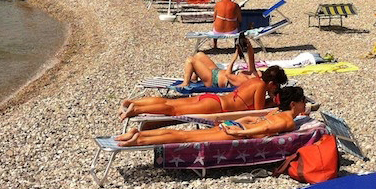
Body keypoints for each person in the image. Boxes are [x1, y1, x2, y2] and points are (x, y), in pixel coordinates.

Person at [115, 85, 305, 147]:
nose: (305, 105)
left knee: (173, 112)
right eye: (303, 102)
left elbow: (255, 121)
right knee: (184, 137)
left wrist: (235, 123)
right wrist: (239, 133)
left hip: (233, 125)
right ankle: (138, 139)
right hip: (236, 132)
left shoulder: (274, 111)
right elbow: (264, 128)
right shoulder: (287, 120)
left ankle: (138, 133)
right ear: (293, 104)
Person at [119, 66, 288, 120]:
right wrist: (273, 104)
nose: (275, 89)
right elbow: (257, 113)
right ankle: (137, 110)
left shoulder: (253, 80)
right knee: (173, 111)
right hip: (216, 107)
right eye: (276, 86)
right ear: (272, 83)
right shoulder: (260, 87)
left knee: (171, 103)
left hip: (212, 99)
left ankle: (135, 103)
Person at [181, 35, 260, 88]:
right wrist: (248, 43)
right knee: (199, 55)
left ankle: (185, 83)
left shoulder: (245, 81)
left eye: (261, 73)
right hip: (217, 71)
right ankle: (194, 78)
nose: (260, 71)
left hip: (212, 80)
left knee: (190, 60)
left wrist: (235, 56)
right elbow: (251, 57)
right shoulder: (253, 74)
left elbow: (228, 75)